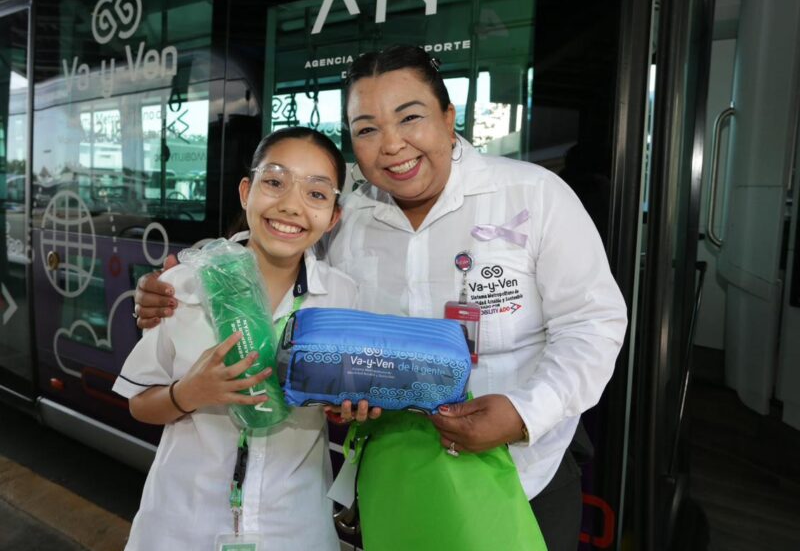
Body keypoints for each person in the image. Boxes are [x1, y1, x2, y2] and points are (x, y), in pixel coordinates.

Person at [134, 46, 628, 550]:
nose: (392, 145)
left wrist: (525, 414)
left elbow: (593, 324)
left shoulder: (533, 196)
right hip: (392, 473)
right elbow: (271, 244)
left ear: (449, 117)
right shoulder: (347, 219)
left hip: (523, 474)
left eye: (410, 117)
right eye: (367, 129)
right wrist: (176, 280)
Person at [113, 127, 357, 550]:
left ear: (333, 216)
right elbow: (138, 403)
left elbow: (347, 401)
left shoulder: (343, 297)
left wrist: (347, 408)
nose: (290, 205)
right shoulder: (184, 285)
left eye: (316, 194)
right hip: (181, 525)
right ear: (247, 192)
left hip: (295, 527)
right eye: (275, 182)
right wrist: (189, 392)